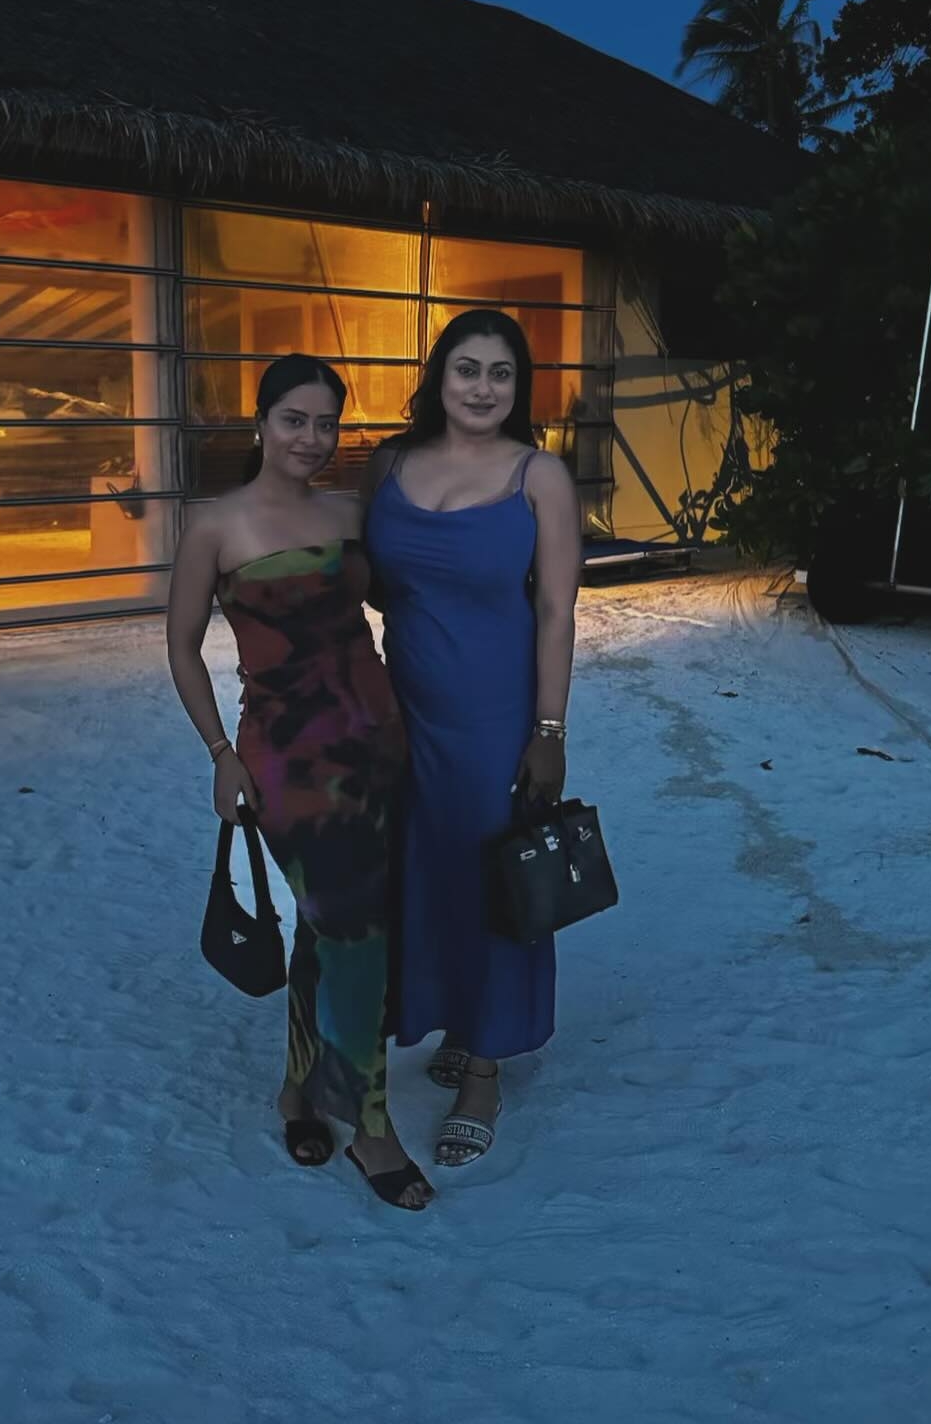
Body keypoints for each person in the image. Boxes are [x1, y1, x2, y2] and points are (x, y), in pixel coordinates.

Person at [166, 354, 434, 1212]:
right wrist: (220, 753)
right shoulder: (216, 525)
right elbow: (180, 648)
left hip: (378, 741)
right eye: (294, 420)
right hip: (288, 758)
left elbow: (401, 602)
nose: (311, 439)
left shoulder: (350, 512)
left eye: (326, 424)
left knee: (328, 928)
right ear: (260, 423)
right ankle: (372, 1127)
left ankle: (298, 1091)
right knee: (357, 935)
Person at [363, 309, 581, 1166]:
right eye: (467, 369)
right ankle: (455, 1017)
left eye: (500, 373)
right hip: (403, 708)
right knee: (423, 871)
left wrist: (549, 729)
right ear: (438, 376)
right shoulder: (388, 465)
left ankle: (484, 1068)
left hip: (496, 715)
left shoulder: (539, 476)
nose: (482, 388)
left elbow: (557, 611)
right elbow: (369, 580)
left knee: (495, 878)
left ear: (519, 386)